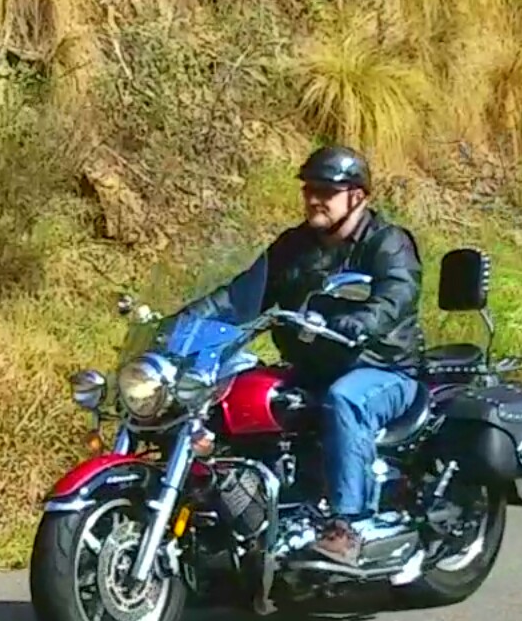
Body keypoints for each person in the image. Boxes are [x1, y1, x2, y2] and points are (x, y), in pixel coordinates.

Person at [181, 144, 424, 567]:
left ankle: (348, 525)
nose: (314, 199)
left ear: (357, 196)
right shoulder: (294, 246)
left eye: (326, 191)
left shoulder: (387, 243)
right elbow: (242, 294)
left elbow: (397, 293)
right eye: (309, 189)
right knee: (238, 394)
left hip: (381, 367)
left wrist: (363, 320)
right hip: (313, 367)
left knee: (346, 399)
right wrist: (187, 322)